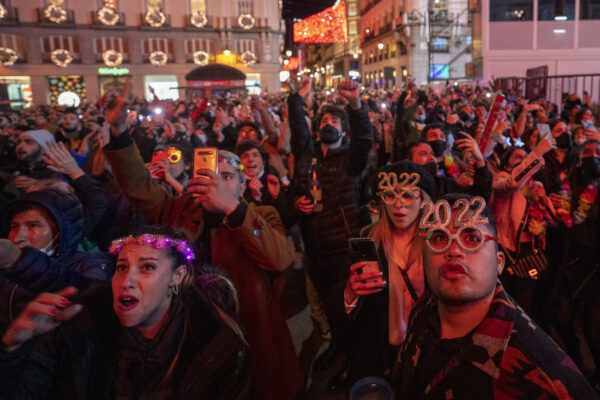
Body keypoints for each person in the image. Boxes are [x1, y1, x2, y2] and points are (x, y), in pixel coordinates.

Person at [101, 83, 303, 400]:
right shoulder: (180, 208)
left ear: (242, 186)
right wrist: (118, 129)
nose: (216, 181)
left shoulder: (260, 214)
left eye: (227, 176)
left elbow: (280, 258)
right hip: (188, 332)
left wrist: (234, 211)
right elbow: (138, 186)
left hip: (247, 328)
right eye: (210, 172)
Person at [0, 226, 250, 399]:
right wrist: (12, 348)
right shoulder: (78, 328)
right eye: (121, 267)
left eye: (147, 267)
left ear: (177, 276)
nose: (126, 281)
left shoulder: (218, 346)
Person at [392, 193, 597, 399]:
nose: (454, 250)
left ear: (499, 262)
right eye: (439, 238)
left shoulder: (544, 379)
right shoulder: (423, 312)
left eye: (472, 238)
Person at [287, 76, 374, 392]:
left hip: (344, 251)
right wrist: (296, 100)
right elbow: (297, 132)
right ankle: (339, 351)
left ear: (343, 129)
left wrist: (355, 105)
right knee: (329, 311)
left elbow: (365, 138)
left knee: (348, 314)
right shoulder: (307, 158)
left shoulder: (352, 159)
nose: (328, 123)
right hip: (316, 251)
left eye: (335, 120)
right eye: (324, 119)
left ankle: (354, 368)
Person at [336, 161, 435, 380]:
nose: (399, 205)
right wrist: (350, 294)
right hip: (380, 352)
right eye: (391, 195)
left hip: (425, 352)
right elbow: (343, 310)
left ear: (424, 200)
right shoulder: (366, 241)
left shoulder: (436, 244)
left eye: (408, 195)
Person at [0, 189, 111, 331]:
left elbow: (90, 298)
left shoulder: (91, 263)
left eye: (33, 225)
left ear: (61, 231)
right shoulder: (6, 266)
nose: (17, 237)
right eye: (14, 226)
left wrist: (21, 262)